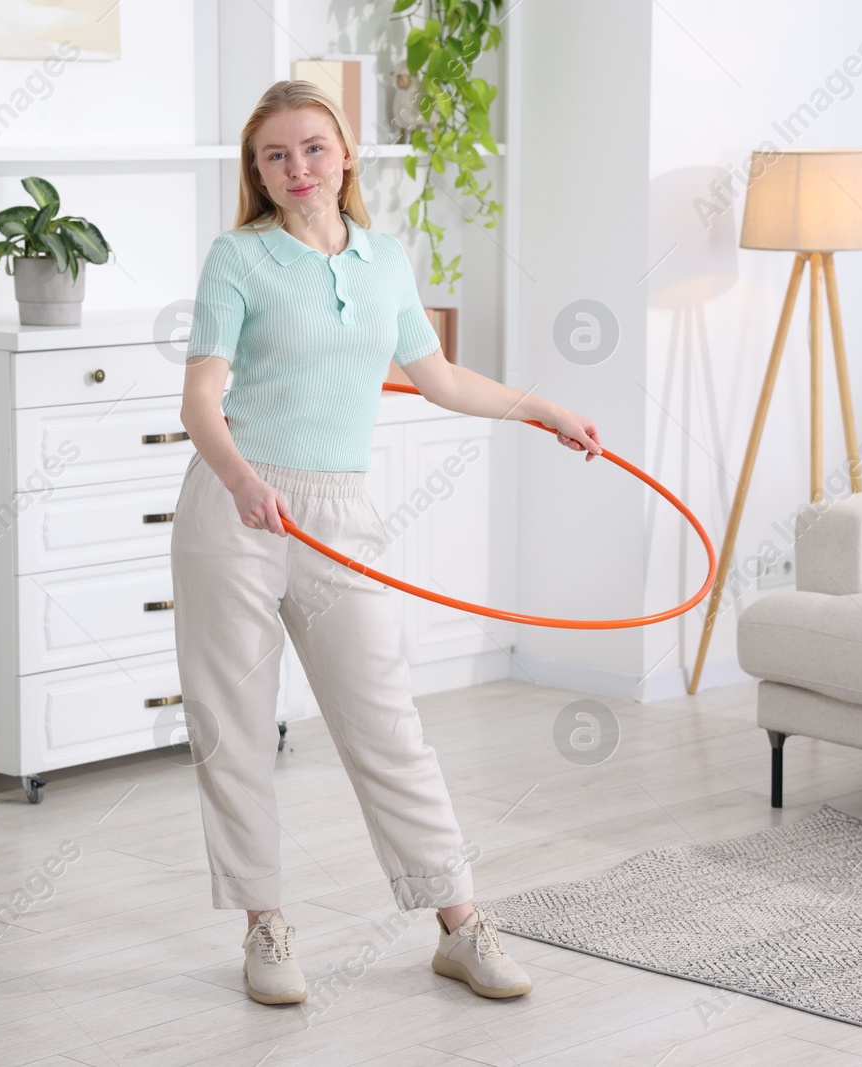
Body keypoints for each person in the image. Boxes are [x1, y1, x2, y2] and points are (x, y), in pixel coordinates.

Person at [171, 80, 603, 1007]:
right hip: (232, 504)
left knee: (387, 724)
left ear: (347, 154)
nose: (297, 169)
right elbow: (201, 400)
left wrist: (544, 410)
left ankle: (458, 922)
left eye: (313, 148)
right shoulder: (237, 258)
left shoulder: (385, 262)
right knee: (234, 728)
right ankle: (265, 924)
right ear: (257, 170)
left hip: (338, 513)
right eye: (275, 155)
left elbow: (438, 377)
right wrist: (245, 479)